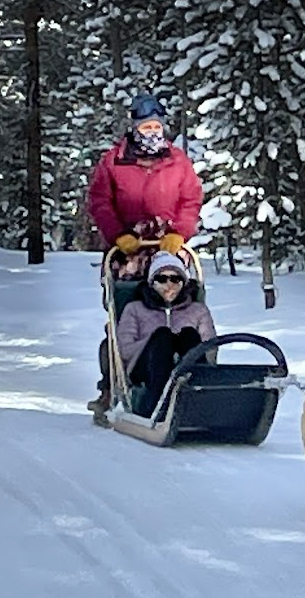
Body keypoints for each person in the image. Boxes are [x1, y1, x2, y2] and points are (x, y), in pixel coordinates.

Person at [86, 93, 203, 416]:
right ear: (135, 128)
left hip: (168, 251)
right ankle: (112, 388)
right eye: (146, 126)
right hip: (127, 253)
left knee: (183, 315)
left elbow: (191, 199)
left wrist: (181, 231)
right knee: (122, 319)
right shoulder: (113, 160)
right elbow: (99, 201)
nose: (152, 132)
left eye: (157, 126)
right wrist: (117, 235)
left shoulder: (178, 161)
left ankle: (187, 382)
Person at [93, 251, 217, 423]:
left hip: (186, 366)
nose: (169, 285)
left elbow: (209, 348)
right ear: (152, 282)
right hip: (144, 370)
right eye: (162, 279)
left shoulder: (197, 310)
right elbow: (125, 350)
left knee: (189, 334)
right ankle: (156, 403)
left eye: (175, 279)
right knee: (162, 336)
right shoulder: (135, 309)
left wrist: (178, 343)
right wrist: (155, 341)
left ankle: (199, 400)